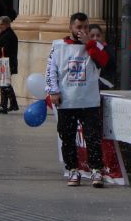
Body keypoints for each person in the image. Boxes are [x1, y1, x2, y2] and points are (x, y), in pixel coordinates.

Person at [45, 12, 110, 187]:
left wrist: (89, 44)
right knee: (67, 137)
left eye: (86, 27)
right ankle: (73, 169)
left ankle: (96, 170)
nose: (82, 30)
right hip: (67, 101)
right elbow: (51, 70)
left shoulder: (94, 46)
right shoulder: (58, 46)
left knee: (92, 137)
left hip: (89, 101)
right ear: (71, 27)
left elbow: (103, 61)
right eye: (79, 27)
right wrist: (53, 91)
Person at [0, 16, 19, 114]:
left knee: (4, 84)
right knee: (4, 84)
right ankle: (11, 104)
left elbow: (4, 49)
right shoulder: (6, 34)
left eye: (2, 24)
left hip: (6, 63)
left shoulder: (7, 35)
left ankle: (5, 106)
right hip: (5, 63)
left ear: (7, 24)